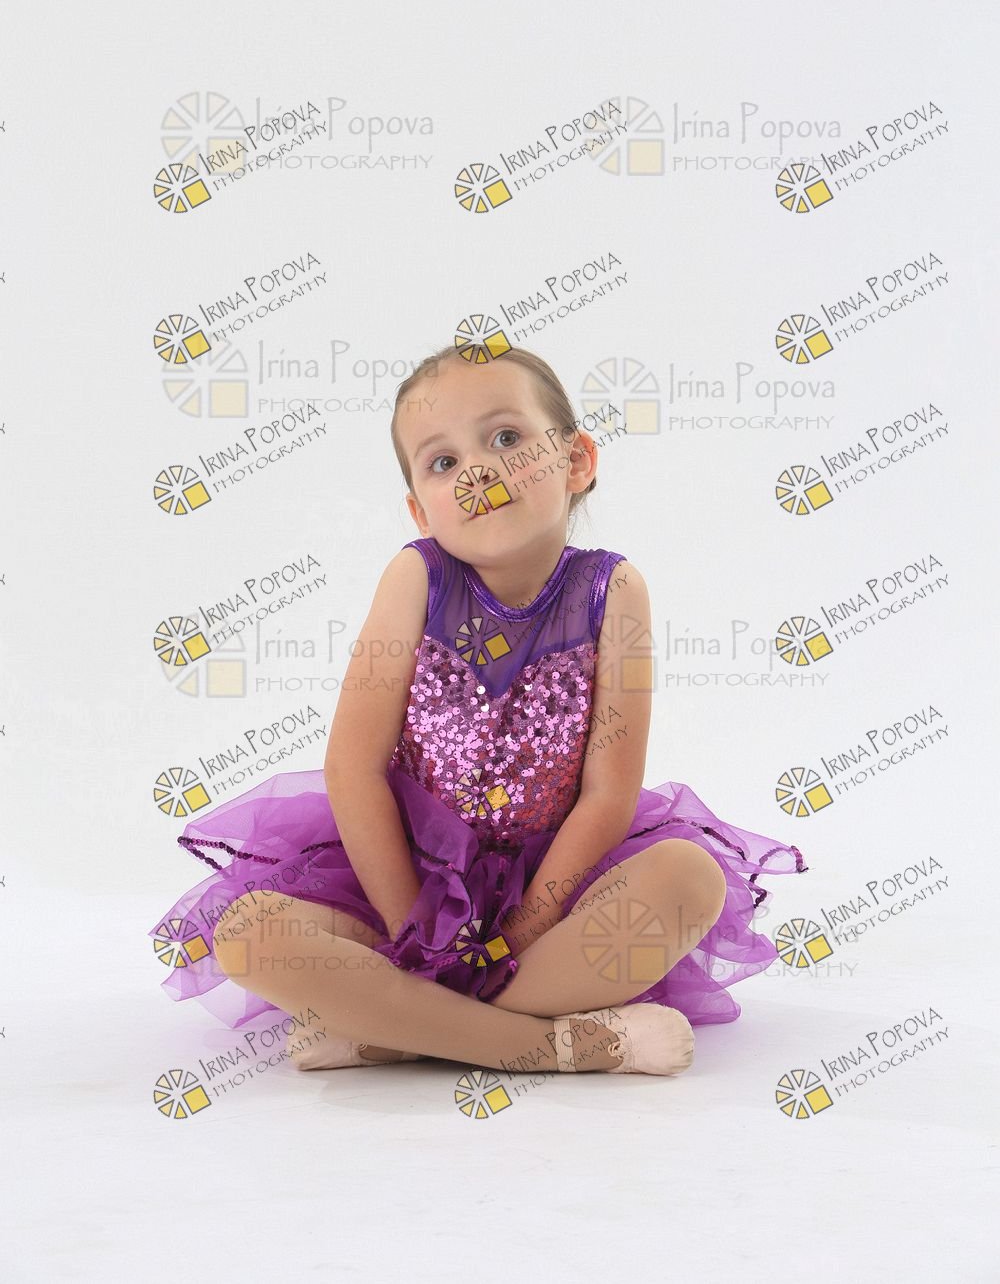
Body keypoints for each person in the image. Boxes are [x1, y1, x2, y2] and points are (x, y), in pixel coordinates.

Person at [150, 342, 807, 1077]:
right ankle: (551, 1046)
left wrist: (525, 928)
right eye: (443, 461)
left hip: (554, 895)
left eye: (506, 438)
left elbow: (607, 794)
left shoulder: (612, 591)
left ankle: (397, 1027)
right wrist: (415, 931)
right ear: (419, 511)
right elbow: (354, 768)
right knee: (250, 935)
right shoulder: (417, 576)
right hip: (405, 886)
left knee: (689, 879)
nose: (477, 471)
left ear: (576, 460)